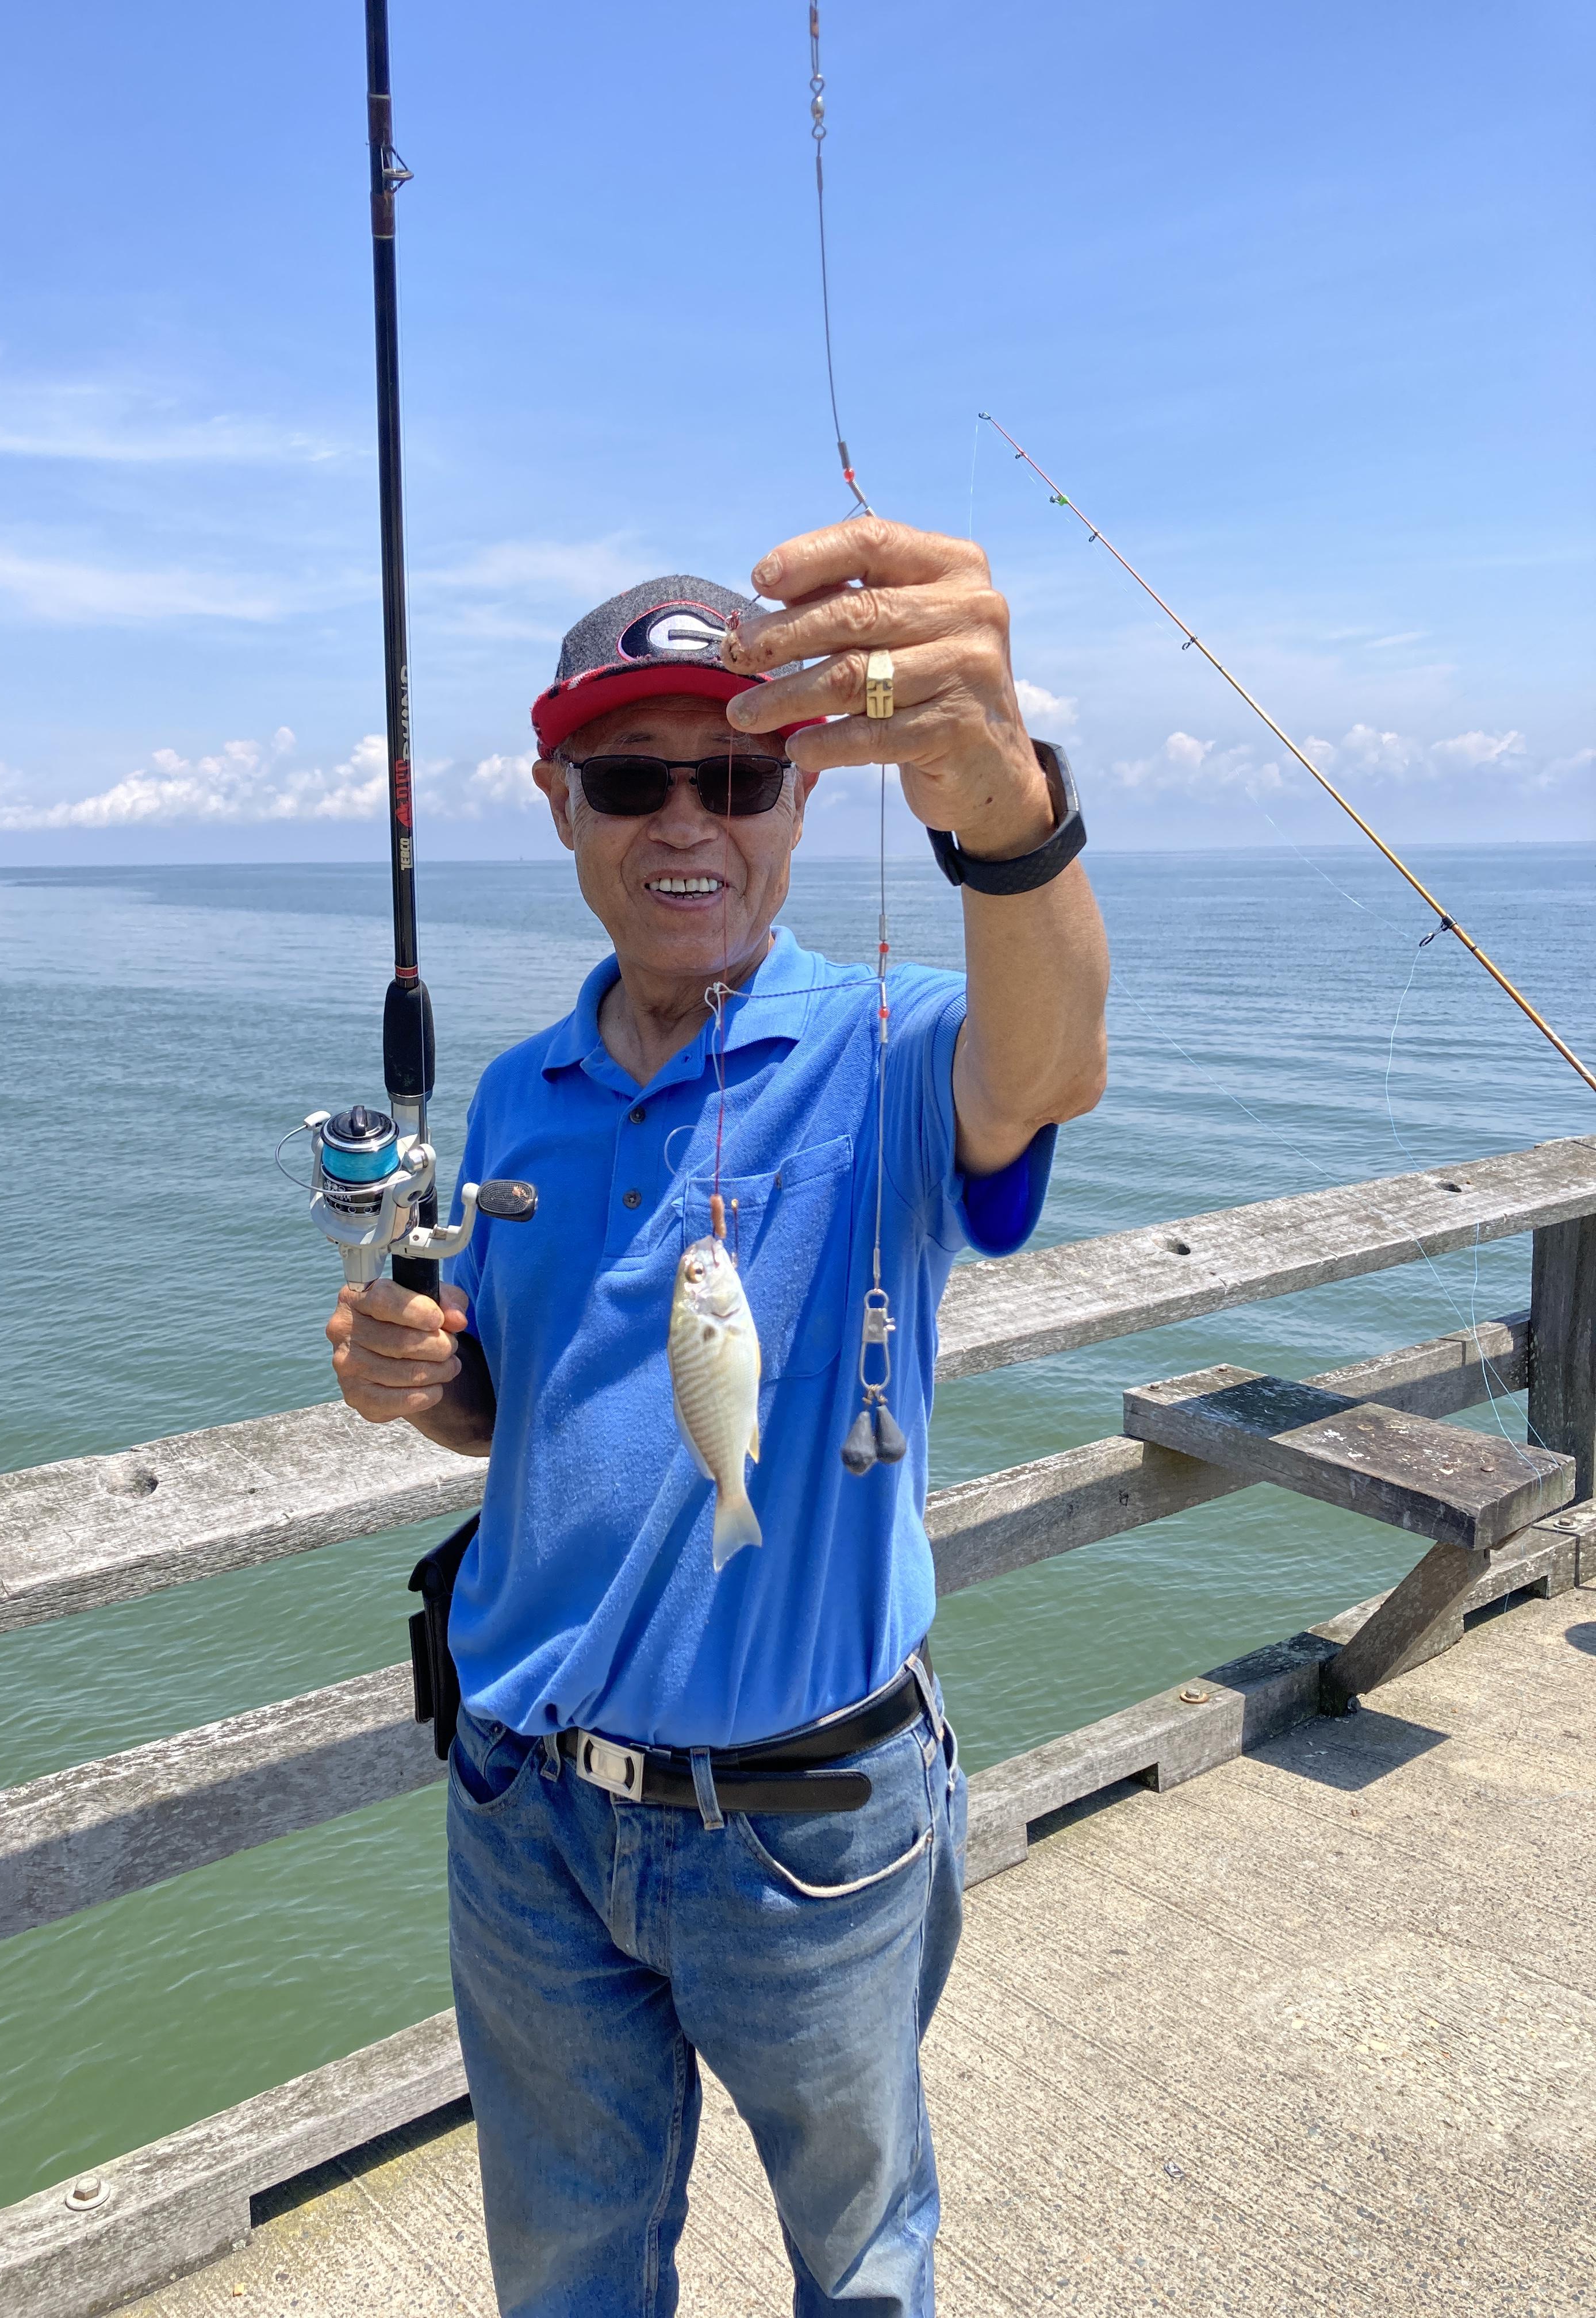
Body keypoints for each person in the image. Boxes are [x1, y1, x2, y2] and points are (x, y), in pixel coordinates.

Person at [325, 519, 1109, 2316]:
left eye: (740, 773)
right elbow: (515, 1414)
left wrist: (1007, 809)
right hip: (523, 1808)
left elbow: (1051, 1063)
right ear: (561, 804)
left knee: (861, 2258)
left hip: (810, 1829)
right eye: (632, 778)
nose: (689, 819)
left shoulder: (897, 1046)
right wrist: (425, 1381)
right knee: (566, 2273)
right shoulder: (518, 1097)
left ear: (805, 797)